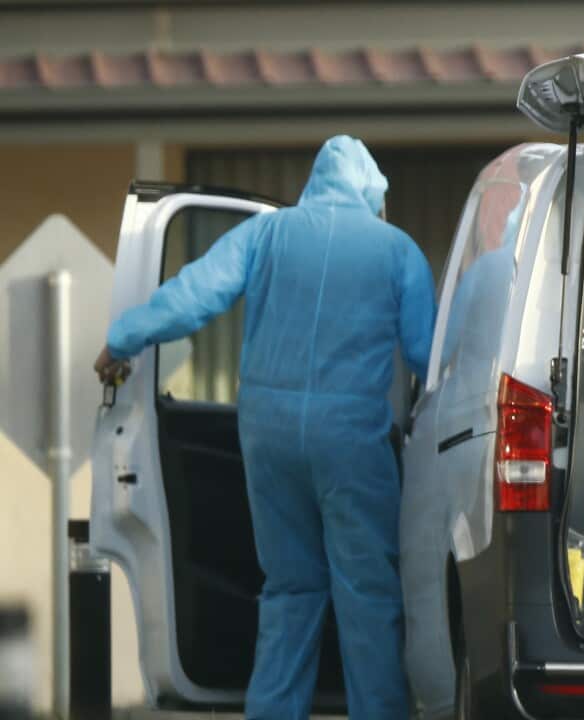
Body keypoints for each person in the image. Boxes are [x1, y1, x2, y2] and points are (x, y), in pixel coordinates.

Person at [94, 135, 435, 720]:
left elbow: (192, 296)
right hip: (351, 439)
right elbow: (428, 354)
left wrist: (122, 339)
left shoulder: (265, 234)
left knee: (289, 589)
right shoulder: (397, 250)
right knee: (367, 594)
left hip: (268, 437)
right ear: (370, 192)